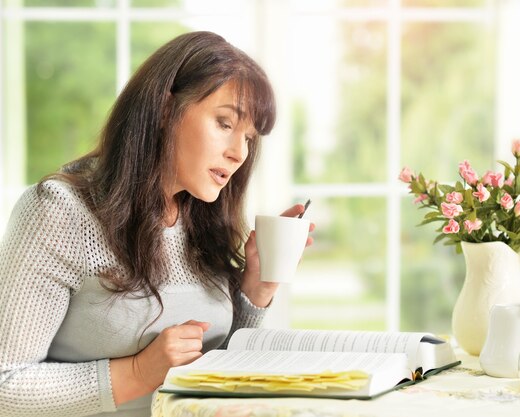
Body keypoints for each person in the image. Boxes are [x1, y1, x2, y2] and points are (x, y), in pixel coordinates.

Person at [0, 31, 313, 417]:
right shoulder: (59, 212)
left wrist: (255, 290)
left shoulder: (200, 219)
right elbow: (5, 385)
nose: (238, 154)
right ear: (166, 110)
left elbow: (212, 373)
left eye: (249, 137)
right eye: (224, 123)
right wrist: (139, 372)